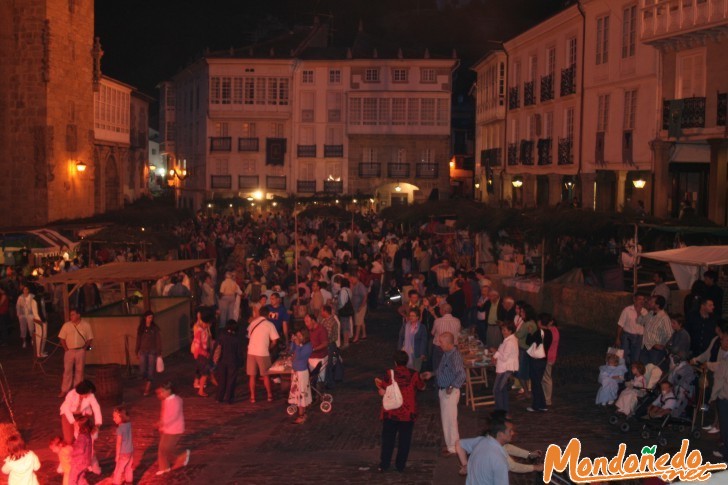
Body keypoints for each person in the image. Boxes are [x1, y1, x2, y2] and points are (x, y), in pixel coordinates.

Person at [375, 350, 426, 472]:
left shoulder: (389, 373)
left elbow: (383, 388)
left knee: (388, 439)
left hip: (391, 412)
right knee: (405, 440)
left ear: (395, 362)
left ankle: (385, 464)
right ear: (407, 361)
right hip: (408, 413)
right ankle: (400, 465)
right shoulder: (413, 374)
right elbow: (421, 386)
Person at [421, 332, 466, 457]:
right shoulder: (447, 354)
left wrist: (452, 386)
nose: (439, 344)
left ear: (448, 343)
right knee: (447, 419)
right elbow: (444, 370)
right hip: (444, 390)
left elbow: (461, 374)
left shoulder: (454, 356)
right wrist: (432, 374)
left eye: (441, 342)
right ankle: (451, 445)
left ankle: (453, 447)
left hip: (449, 392)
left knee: (450, 420)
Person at [455, 415, 512, 485]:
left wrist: (466, 465)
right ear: (500, 434)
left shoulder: (481, 441)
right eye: (510, 431)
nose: (513, 433)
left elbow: (459, 444)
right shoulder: (500, 461)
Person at [155, 382, 190, 476]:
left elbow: (173, 416)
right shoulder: (165, 400)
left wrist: (162, 423)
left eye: (162, 392)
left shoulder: (176, 401)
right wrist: (162, 425)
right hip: (167, 428)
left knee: (166, 449)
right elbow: (164, 414)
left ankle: (182, 456)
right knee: (162, 449)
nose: (160, 394)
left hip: (175, 429)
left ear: (169, 390)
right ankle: (164, 467)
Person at [58, 308, 94, 397]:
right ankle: (64, 390)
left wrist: (84, 348)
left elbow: (90, 338)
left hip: (80, 350)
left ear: (78, 315)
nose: (71, 317)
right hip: (69, 351)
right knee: (67, 371)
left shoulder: (86, 325)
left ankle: (77, 390)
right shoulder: (66, 325)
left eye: (73, 314)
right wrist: (66, 348)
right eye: (71, 315)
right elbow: (62, 338)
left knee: (79, 371)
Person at [247, 306, 279, 403]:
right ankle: (269, 395)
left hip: (251, 351)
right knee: (266, 375)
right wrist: (269, 347)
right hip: (262, 352)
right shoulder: (270, 324)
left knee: (252, 376)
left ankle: (252, 397)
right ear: (268, 314)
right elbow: (275, 341)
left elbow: (249, 336)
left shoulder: (252, 323)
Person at [59, 380, 102, 446]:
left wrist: (97, 425)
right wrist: (73, 422)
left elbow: (96, 408)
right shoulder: (71, 394)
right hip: (68, 415)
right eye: (88, 393)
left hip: (81, 414)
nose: (89, 395)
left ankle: (84, 451)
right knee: (69, 439)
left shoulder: (91, 395)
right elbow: (67, 409)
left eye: (90, 393)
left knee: (86, 434)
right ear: (83, 391)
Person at [615, 293, 648, 374]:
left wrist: (639, 313)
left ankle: (632, 376)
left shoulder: (645, 311)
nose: (642, 301)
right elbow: (620, 324)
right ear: (634, 299)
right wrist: (618, 338)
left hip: (639, 337)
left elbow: (645, 325)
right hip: (627, 336)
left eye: (643, 299)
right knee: (623, 357)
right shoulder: (627, 310)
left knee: (635, 359)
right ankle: (621, 376)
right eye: (639, 299)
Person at [490, 321, 519, 413]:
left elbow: (504, 357)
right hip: (505, 367)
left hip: (505, 368)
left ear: (510, 331)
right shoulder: (508, 340)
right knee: (502, 390)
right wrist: (497, 353)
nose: (502, 332)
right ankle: (504, 409)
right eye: (502, 330)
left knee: (497, 389)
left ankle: (500, 410)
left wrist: (495, 352)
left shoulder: (510, 342)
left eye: (504, 330)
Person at [640, 295, 673, 368]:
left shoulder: (664, 318)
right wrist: (640, 308)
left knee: (653, 373)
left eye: (651, 302)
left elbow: (670, 334)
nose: (649, 302)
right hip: (645, 348)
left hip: (655, 351)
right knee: (643, 371)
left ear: (657, 305)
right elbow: (639, 321)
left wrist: (663, 346)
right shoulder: (650, 313)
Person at [288, 327, 313, 424]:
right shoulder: (300, 344)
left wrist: (297, 345)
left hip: (301, 373)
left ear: (304, 336)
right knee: (298, 394)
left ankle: (301, 416)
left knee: (301, 395)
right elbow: (291, 351)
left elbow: (299, 356)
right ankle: (303, 413)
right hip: (296, 372)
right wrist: (292, 342)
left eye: (299, 336)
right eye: (297, 335)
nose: (298, 337)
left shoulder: (308, 346)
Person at [216, 320, 243, 404]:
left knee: (222, 380)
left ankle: (219, 397)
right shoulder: (236, 339)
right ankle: (229, 398)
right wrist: (241, 362)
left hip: (222, 361)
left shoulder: (222, 336)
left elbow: (217, 348)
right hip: (233, 361)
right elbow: (239, 352)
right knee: (231, 380)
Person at [135, 310, 161, 397]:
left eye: (151, 317)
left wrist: (159, 352)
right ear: (145, 318)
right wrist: (137, 350)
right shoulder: (141, 328)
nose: (150, 319)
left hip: (152, 351)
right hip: (143, 351)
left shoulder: (154, 328)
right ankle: (145, 383)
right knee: (142, 369)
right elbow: (138, 340)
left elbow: (158, 340)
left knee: (150, 369)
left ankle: (147, 388)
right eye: (149, 317)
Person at [431, 303, 461, 374]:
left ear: (443, 311)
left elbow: (432, 333)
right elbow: (458, 333)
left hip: (439, 348)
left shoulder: (437, 321)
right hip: (453, 348)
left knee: (438, 368)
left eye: (440, 309)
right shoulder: (457, 321)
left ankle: (438, 384)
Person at [191, 311, 214, 397]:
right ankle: (200, 390)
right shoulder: (200, 330)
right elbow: (197, 345)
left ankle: (201, 389)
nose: (208, 325)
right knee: (205, 373)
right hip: (201, 354)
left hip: (202, 354)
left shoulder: (203, 330)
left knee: (205, 372)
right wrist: (204, 353)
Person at [305, 313, 329, 391]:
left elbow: (325, 343)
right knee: (312, 379)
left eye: (307, 321)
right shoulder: (309, 330)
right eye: (305, 322)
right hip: (311, 358)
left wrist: (314, 349)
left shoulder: (321, 330)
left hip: (319, 358)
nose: (306, 324)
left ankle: (319, 394)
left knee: (319, 379)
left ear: (313, 321)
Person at [112, 405, 133, 485]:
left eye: (115, 417)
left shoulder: (120, 429)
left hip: (123, 453)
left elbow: (119, 443)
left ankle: (116, 483)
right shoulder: (129, 424)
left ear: (122, 417)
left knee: (118, 470)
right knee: (129, 468)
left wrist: (117, 455)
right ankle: (129, 482)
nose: (113, 419)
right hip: (130, 451)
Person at [70, 415, 93, 485]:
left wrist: (72, 453)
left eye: (76, 426)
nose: (75, 427)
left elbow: (80, 450)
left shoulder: (82, 436)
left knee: (72, 480)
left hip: (78, 462)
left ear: (81, 427)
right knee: (80, 479)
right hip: (85, 462)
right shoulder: (88, 435)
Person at [541, 316, 559, 407]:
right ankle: (545, 397)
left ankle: (547, 399)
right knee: (545, 378)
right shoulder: (554, 330)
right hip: (551, 357)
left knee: (547, 378)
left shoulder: (552, 331)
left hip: (549, 357)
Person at [16, 285, 39, 350]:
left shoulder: (32, 296)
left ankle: (32, 340)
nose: (25, 291)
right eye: (24, 289)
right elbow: (18, 306)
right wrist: (18, 314)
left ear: (28, 290)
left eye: (26, 289)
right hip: (22, 315)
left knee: (31, 328)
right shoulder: (20, 297)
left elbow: (35, 306)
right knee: (23, 328)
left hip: (30, 314)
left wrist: (35, 314)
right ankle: (24, 341)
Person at [350, 274, 368, 343]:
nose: (351, 281)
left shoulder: (360, 286)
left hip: (360, 306)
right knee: (361, 321)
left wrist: (361, 306)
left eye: (352, 279)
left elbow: (365, 296)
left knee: (358, 322)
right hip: (357, 306)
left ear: (356, 278)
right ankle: (364, 334)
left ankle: (356, 337)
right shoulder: (355, 285)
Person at [336, 278, 353, 349]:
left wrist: (338, 306)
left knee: (345, 326)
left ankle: (346, 342)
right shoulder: (349, 290)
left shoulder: (343, 291)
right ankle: (347, 341)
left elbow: (342, 303)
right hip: (348, 310)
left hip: (344, 311)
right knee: (347, 325)